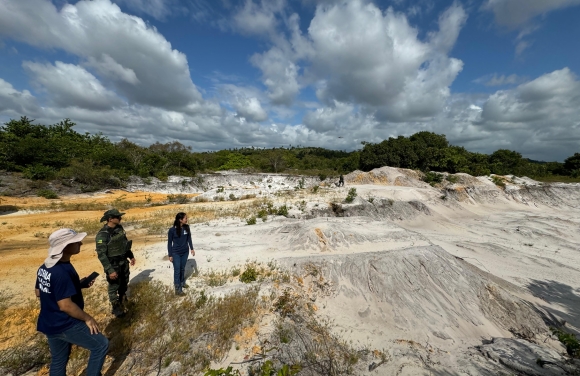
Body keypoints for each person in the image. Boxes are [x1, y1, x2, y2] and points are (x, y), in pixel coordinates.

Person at [35, 228, 109, 376]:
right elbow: (65, 306)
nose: (80, 243)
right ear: (65, 246)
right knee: (101, 345)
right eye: (76, 242)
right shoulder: (61, 272)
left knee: (58, 360)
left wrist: (76, 285)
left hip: (49, 323)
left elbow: (39, 292)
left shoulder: (45, 267)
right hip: (65, 324)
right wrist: (88, 318)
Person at [96, 209, 135, 317]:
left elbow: (124, 244)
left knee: (124, 281)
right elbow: (101, 254)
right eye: (118, 217)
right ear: (110, 219)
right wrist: (110, 270)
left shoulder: (119, 229)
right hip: (113, 264)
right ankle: (115, 306)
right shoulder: (102, 235)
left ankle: (122, 298)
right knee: (114, 286)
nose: (120, 218)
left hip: (123, 262)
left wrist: (131, 256)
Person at [167, 212, 195, 296]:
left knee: (182, 268)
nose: (187, 219)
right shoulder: (172, 230)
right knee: (177, 270)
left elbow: (189, 238)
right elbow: (169, 243)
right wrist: (170, 255)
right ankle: (178, 289)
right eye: (185, 218)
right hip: (176, 252)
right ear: (180, 220)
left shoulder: (187, 227)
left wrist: (192, 248)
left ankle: (182, 282)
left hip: (185, 252)